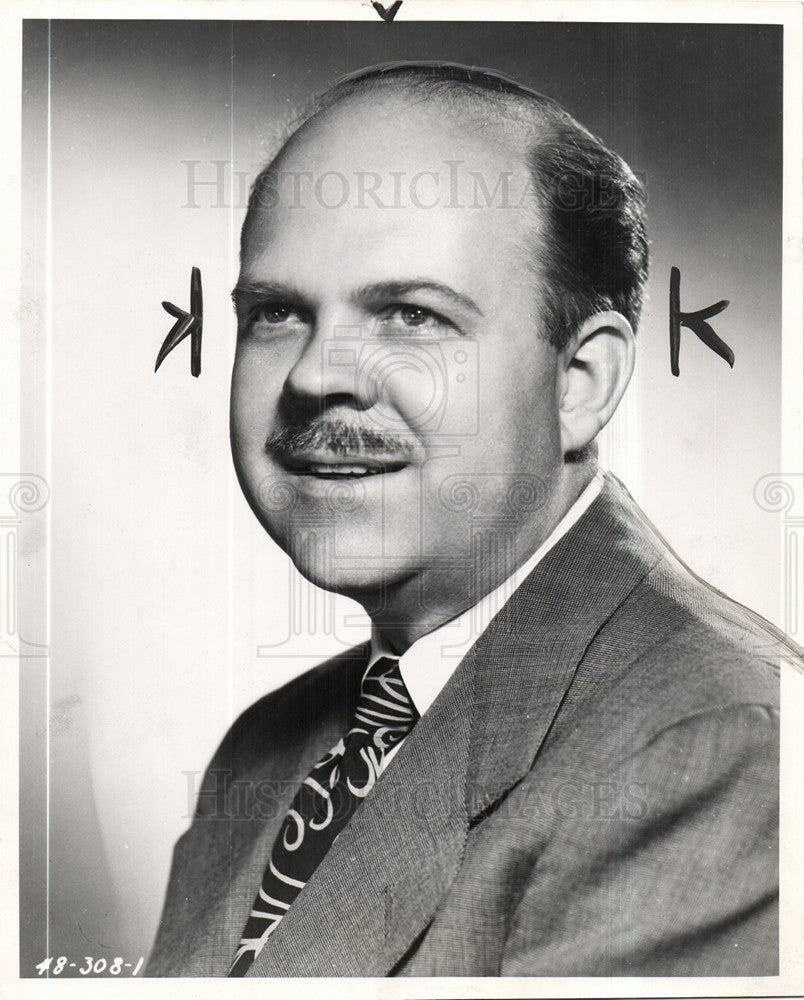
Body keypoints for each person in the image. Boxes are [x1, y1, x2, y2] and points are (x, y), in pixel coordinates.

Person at [147, 61, 795, 978]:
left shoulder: (717, 749)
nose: (313, 377)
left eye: (412, 315)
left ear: (580, 384)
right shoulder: (266, 749)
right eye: (278, 312)